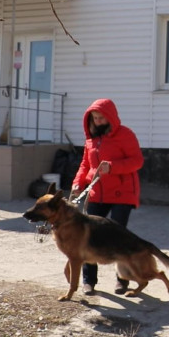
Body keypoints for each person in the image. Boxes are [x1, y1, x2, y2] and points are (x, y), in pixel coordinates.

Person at [71, 98, 144, 296]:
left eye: (101, 118)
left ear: (111, 117)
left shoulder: (126, 134)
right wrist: (78, 184)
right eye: (94, 118)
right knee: (88, 236)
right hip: (98, 193)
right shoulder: (91, 140)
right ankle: (89, 281)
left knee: (118, 238)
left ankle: (123, 280)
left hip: (123, 193)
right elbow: (85, 165)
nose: (98, 121)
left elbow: (137, 161)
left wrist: (112, 167)